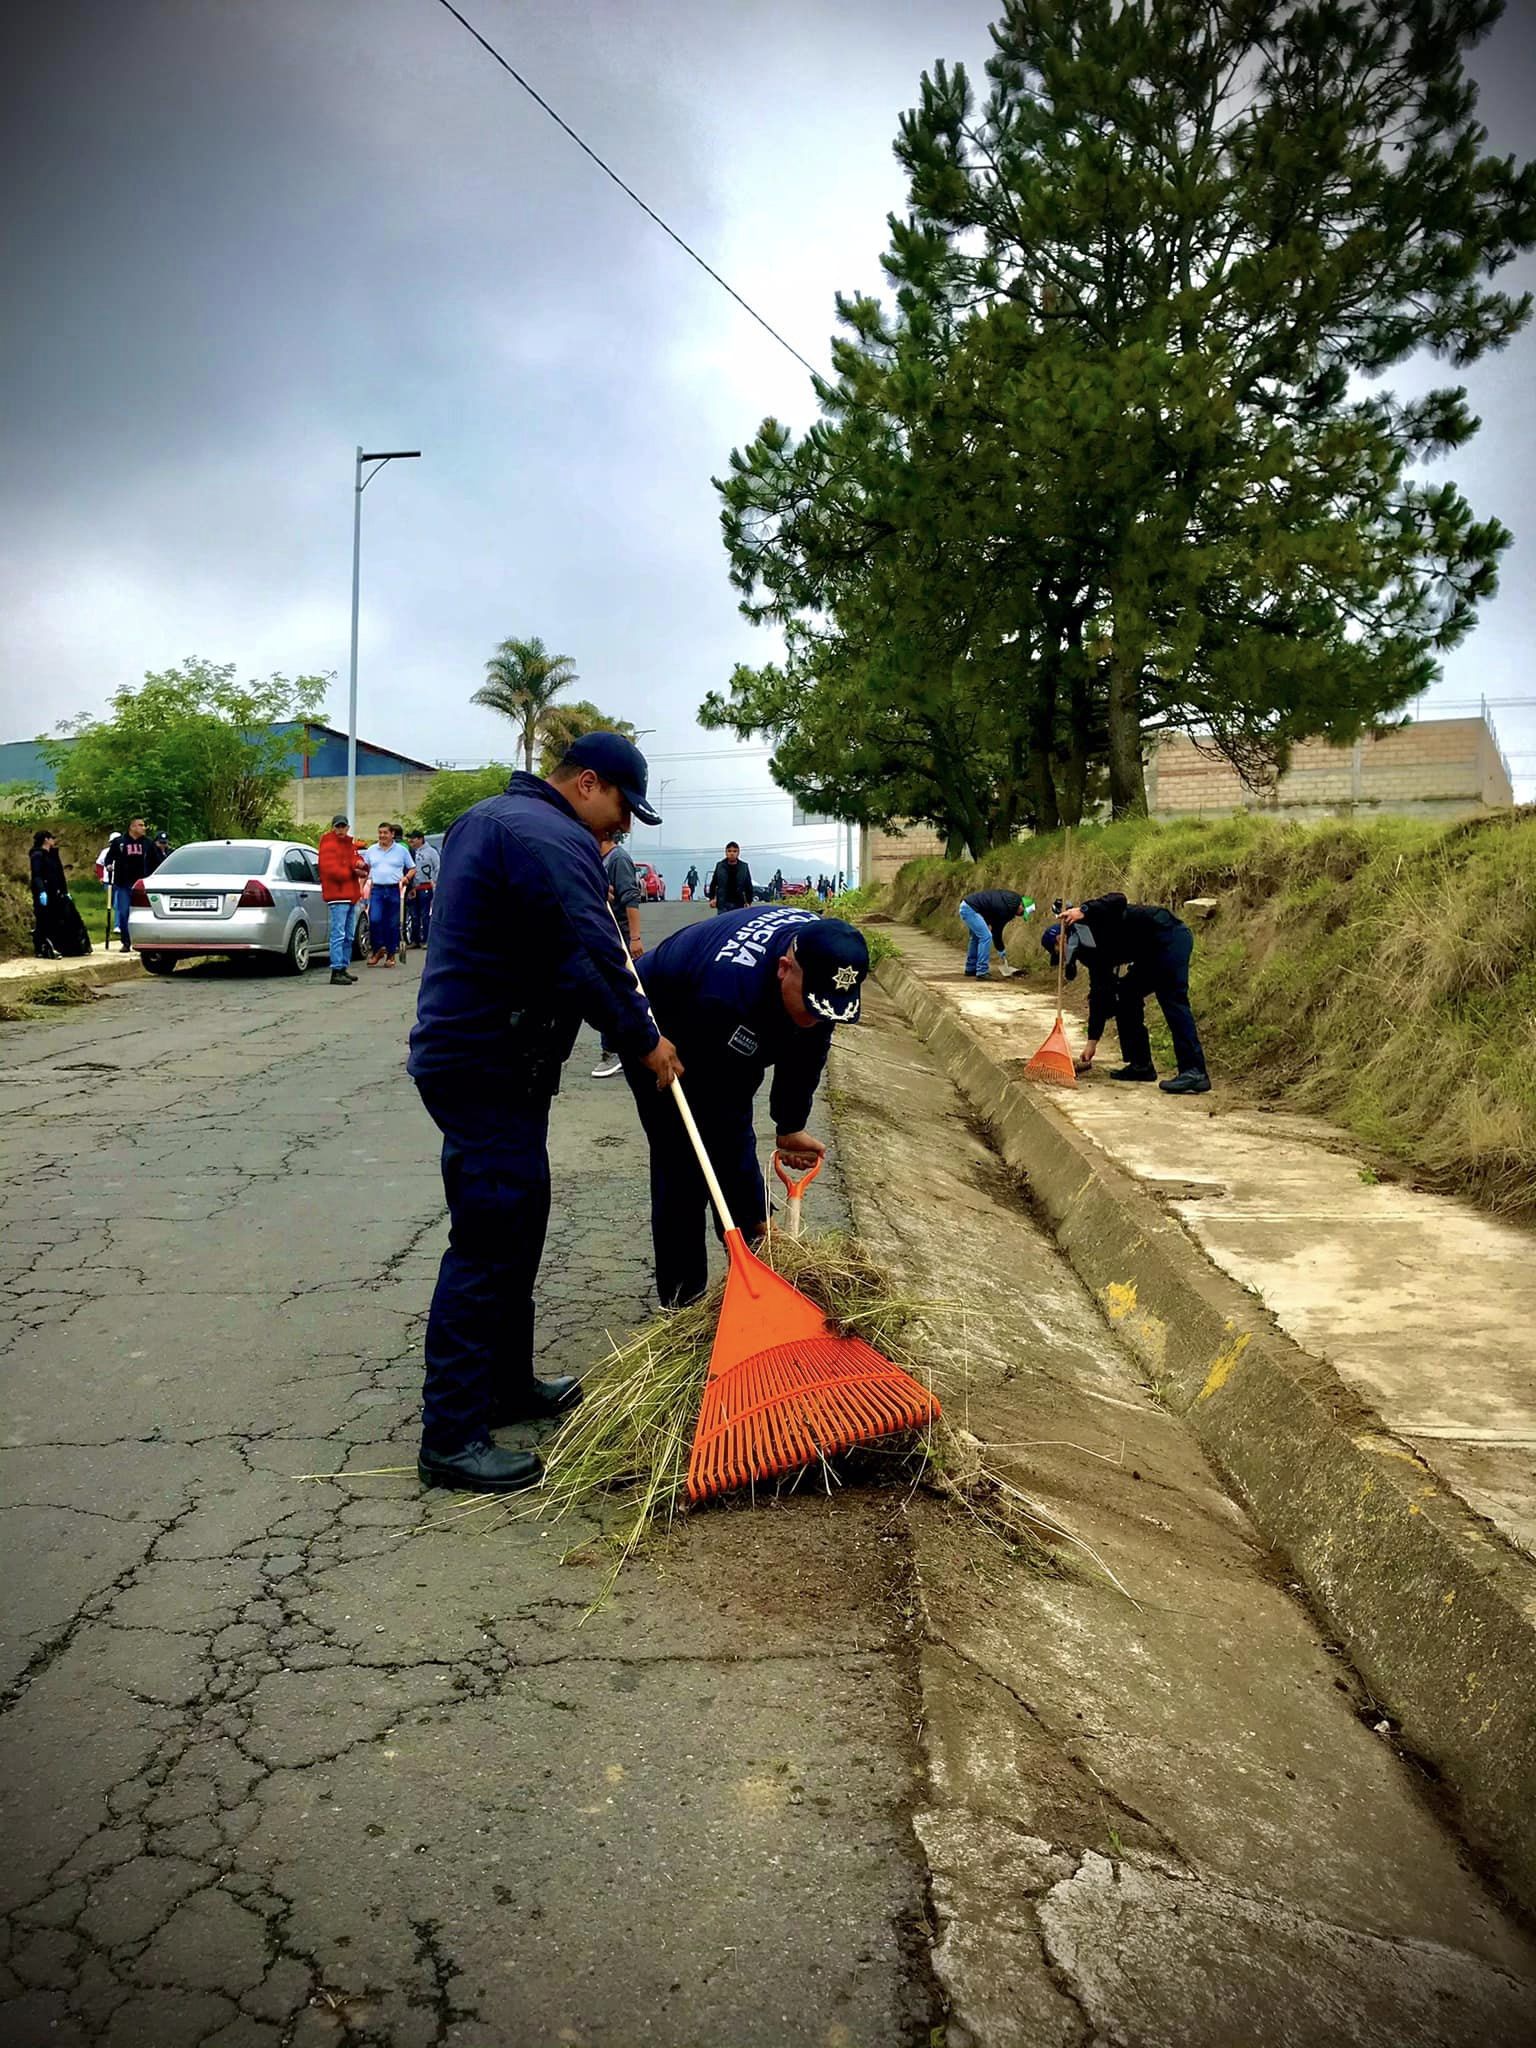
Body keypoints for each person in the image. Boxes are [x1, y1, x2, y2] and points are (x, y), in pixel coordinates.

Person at [407, 732, 683, 1493]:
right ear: (588, 783)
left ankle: (507, 1384)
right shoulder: (549, 836)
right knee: (491, 1238)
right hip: (486, 1063)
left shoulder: (490, 819)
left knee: (518, 1223)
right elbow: (587, 954)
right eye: (622, 812)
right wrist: (645, 1038)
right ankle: (452, 1436)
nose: (621, 830)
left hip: (491, 1060)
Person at [624, 905, 869, 1308]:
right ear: (784, 968)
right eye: (809, 1005)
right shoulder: (728, 996)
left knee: (724, 1160)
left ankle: (752, 1277)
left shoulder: (825, 957)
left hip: (714, 1004)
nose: (814, 1018)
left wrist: (790, 1124)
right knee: (684, 1158)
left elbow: (810, 1043)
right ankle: (684, 1301)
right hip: (661, 1018)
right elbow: (725, 1117)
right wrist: (756, 1215)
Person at [1044, 893, 1211, 1095]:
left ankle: (1194, 1071)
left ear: (1060, 938)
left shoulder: (1091, 918)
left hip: (1169, 937)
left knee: (1172, 999)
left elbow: (1118, 899)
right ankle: (1141, 1065)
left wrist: (1083, 910)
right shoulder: (1088, 953)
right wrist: (1092, 1041)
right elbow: (1100, 992)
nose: (1061, 958)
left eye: (1056, 952)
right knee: (1126, 994)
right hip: (1150, 952)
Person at [592, 828, 643, 1080]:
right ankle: (622, 1049)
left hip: (619, 935)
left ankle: (613, 1051)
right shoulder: (594, 858)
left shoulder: (618, 859)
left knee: (617, 991)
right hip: (601, 933)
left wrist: (634, 938)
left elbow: (630, 899)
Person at [317, 813, 368, 986]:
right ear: (333, 827)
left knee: (349, 935)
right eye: (337, 826)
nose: (340, 829)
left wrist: (361, 865)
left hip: (350, 894)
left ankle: (343, 967)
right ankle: (336, 969)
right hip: (337, 895)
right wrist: (354, 871)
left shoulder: (349, 844)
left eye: (343, 826)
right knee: (338, 934)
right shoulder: (328, 843)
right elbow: (331, 870)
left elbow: (356, 859)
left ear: (347, 827)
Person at [29, 831, 91, 959]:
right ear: (46, 839)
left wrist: (65, 891)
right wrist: (41, 891)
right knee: (45, 920)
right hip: (45, 892)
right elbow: (37, 875)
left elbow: (59, 875)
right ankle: (43, 948)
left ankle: (70, 947)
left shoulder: (52, 855)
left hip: (57, 893)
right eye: (52, 838)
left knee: (65, 919)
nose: (54, 840)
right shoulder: (37, 855)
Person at [363, 822, 414, 966]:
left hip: (394, 890)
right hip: (377, 889)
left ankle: (390, 955)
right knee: (375, 920)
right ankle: (378, 949)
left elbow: (412, 868)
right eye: (380, 833)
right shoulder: (372, 850)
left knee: (392, 924)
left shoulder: (401, 850)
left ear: (392, 834)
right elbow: (365, 871)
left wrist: (406, 878)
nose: (382, 836)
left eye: (385, 833)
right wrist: (361, 887)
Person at [108, 819, 162, 952]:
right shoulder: (119, 842)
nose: (144, 828)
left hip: (141, 885)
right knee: (124, 912)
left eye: (144, 825)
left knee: (145, 912)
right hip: (123, 883)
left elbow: (158, 861)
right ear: (132, 827)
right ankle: (126, 941)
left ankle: (147, 939)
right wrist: (109, 865)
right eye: (141, 825)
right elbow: (109, 857)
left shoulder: (148, 843)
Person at [959, 887, 1034, 979]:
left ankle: (971, 969)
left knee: (976, 937)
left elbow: (991, 916)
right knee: (985, 936)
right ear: (1021, 905)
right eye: (1022, 912)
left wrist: (999, 948)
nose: (1020, 915)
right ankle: (982, 971)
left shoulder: (1008, 901)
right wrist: (1001, 949)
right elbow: (997, 930)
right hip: (970, 909)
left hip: (969, 906)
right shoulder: (1006, 908)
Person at [405, 831, 440, 950]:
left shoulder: (431, 852)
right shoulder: (410, 852)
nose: (411, 843)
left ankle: (426, 939)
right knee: (414, 915)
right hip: (414, 887)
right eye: (410, 840)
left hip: (426, 886)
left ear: (420, 839)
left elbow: (437, 867)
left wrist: (435, 881)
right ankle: (415, 939)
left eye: (413, 840)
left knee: (425, 914)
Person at [706, 841, 753, 914]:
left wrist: (749, 902)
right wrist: (712, 898)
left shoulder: (744, 867)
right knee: (723, 923)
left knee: (737, 923)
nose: (732, 853)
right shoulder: (720, 866)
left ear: (738, 853)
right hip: (723, 903)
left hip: (739, 903)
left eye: (734, 851)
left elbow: (748, 886)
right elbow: (714, 883)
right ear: (726, 852)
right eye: (729, 851)